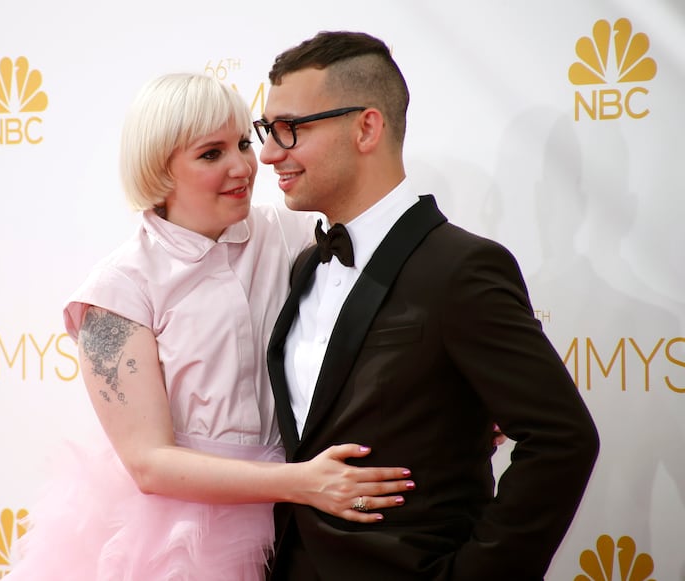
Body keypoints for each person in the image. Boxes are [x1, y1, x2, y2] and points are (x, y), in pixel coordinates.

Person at [7, 72, 414, 581]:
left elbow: (389, 306)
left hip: (302, 513)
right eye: (210, 153)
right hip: (178, 534)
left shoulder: (286, 232)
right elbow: (150, 463)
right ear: (160, 169)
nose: (243, 165)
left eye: (243, 142)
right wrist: (299, 482)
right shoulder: (118, 288)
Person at [255, 31, 600, 580]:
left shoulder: (462, 268)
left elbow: (563, 441)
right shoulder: (303, 268)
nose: (270, 154)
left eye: (290, 130)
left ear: (366, 127)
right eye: (266, 131)